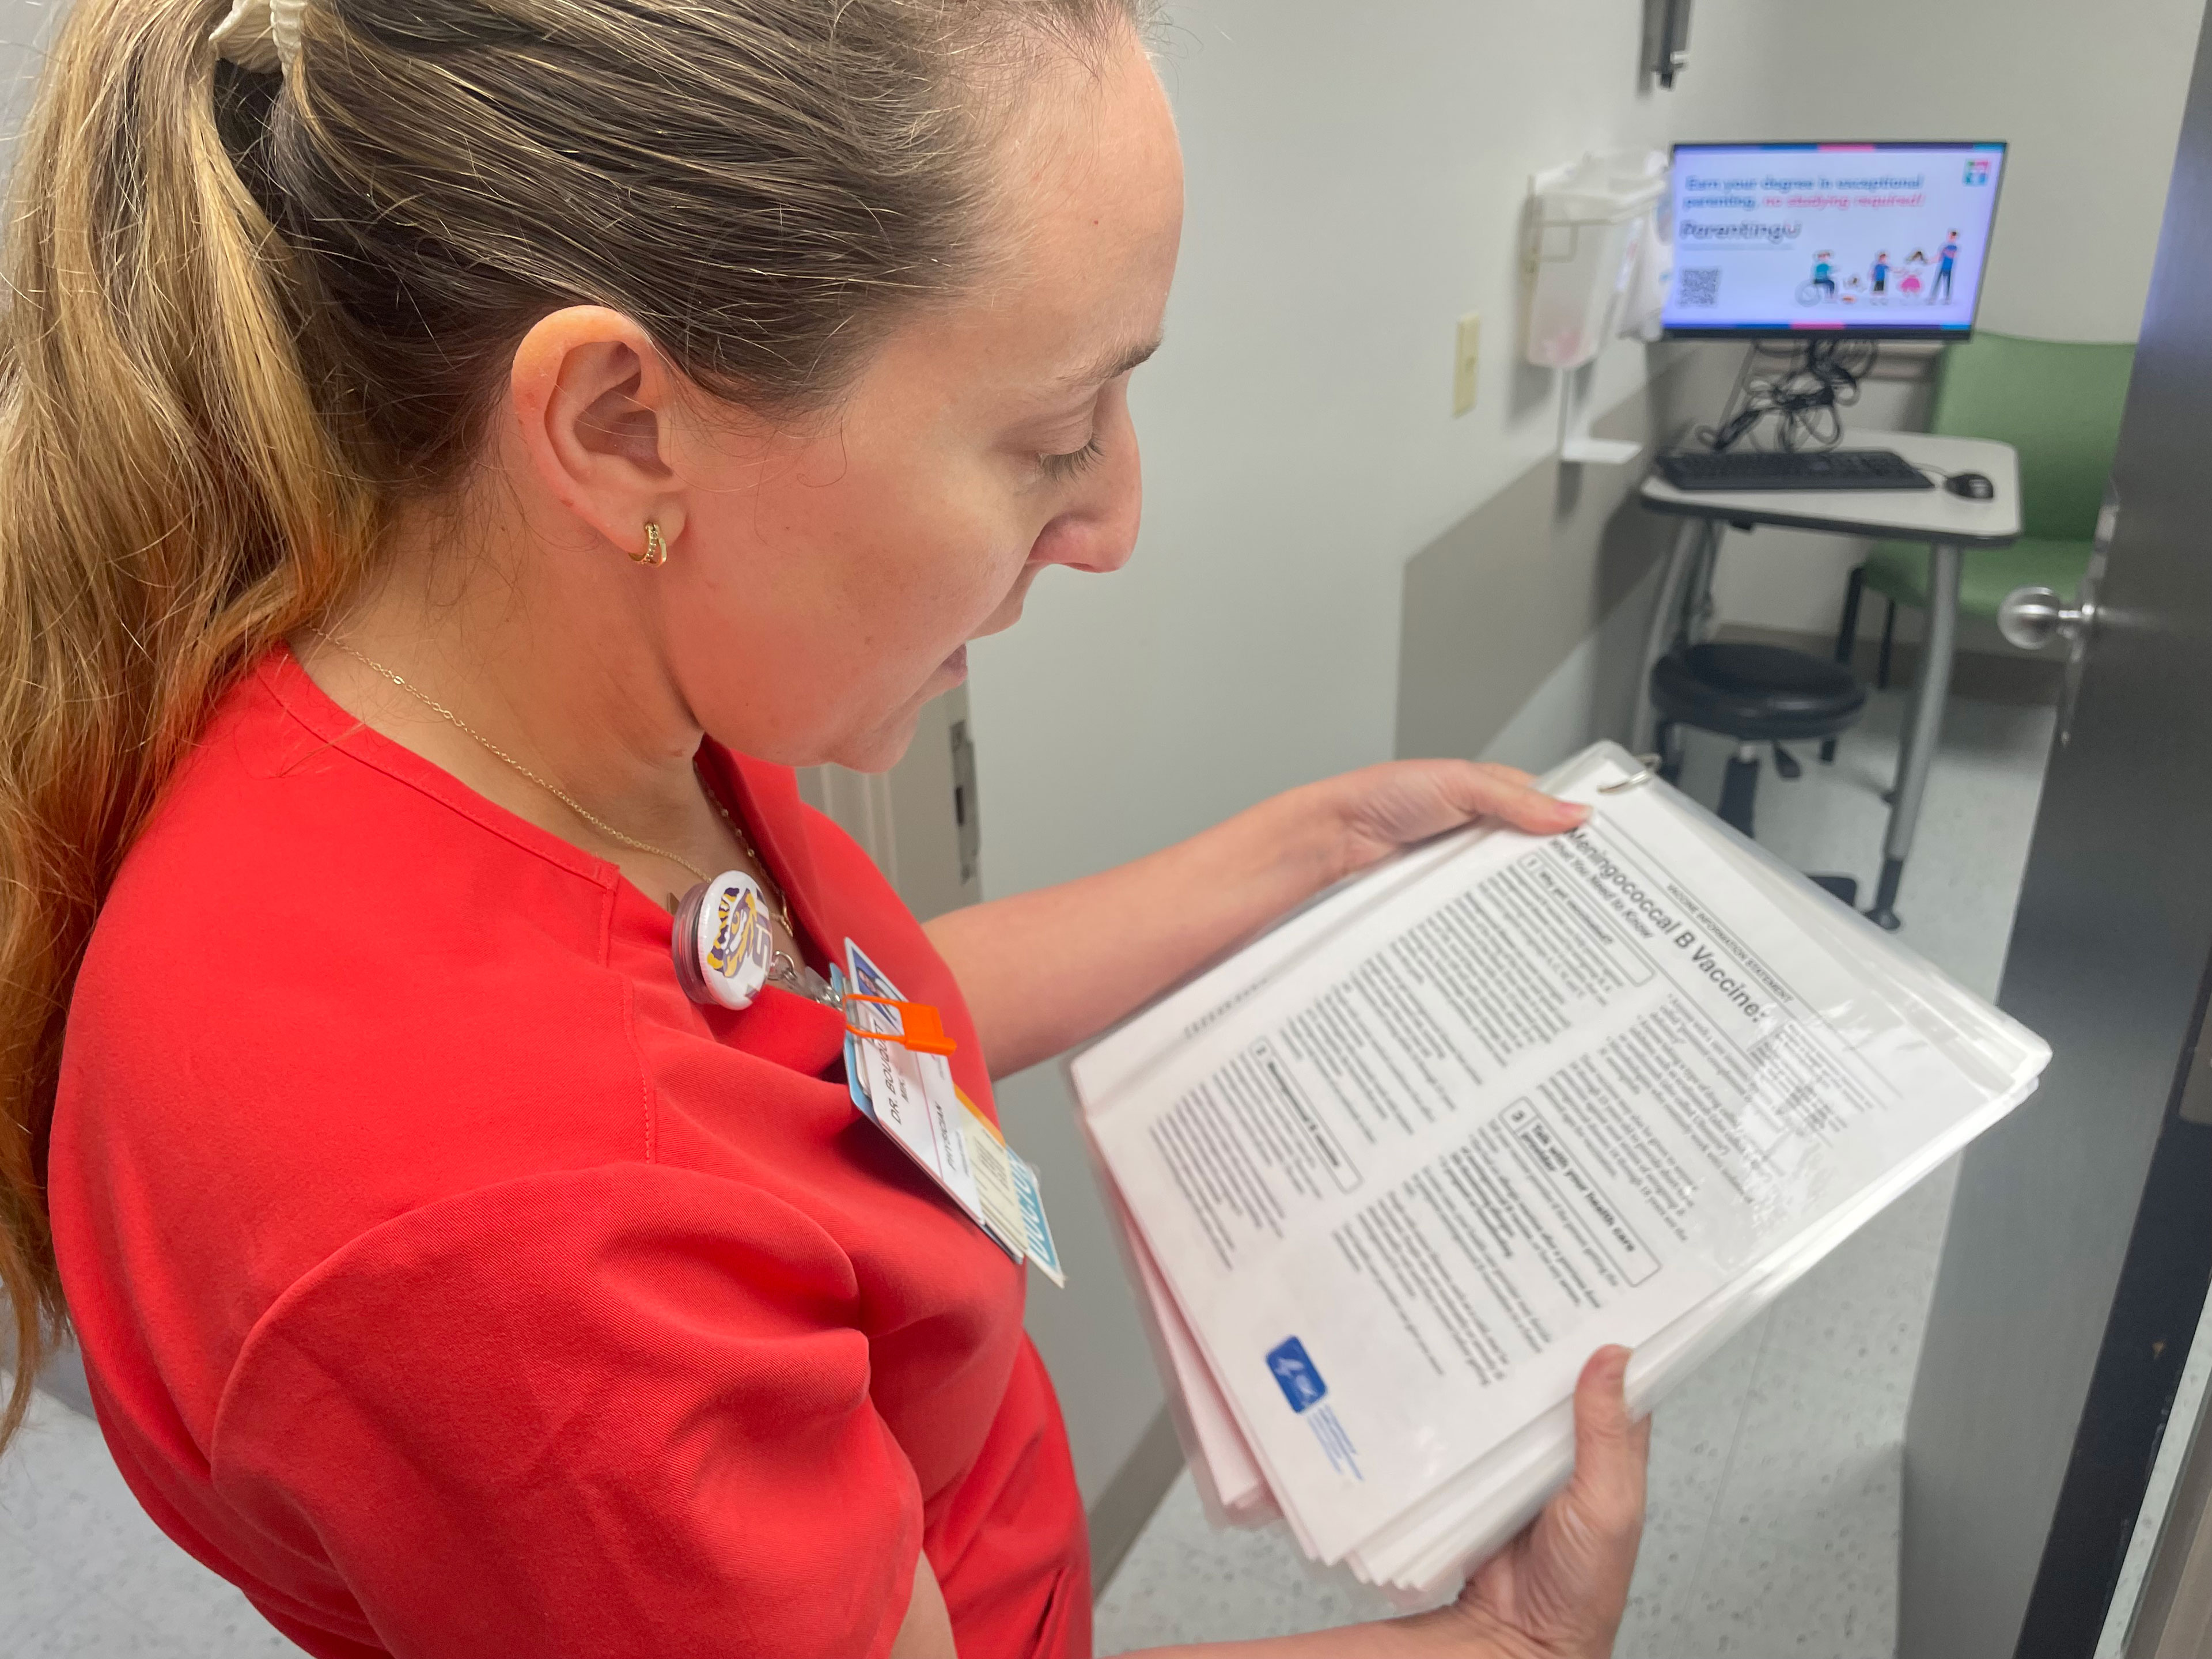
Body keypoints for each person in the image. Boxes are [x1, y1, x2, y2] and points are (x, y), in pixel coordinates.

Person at [0, 1, 1651, 1657]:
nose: (1113, 522)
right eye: (1058, 432)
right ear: (618, 425)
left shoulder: (562, 706)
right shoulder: (505, 1243)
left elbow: (815, 1054)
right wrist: (1496, 1650)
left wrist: (1316, 845)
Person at [1933, 230, 1961, 302]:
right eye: (1951, 236)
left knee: (1948, 284)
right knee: (1937, 282)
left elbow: (1952, 255)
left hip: (1949, 268)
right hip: (1942, 267)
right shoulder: (1945, 246)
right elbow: (1940, 256)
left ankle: (1947, 298)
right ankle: (1933, 297)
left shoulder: (1955, 247)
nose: (1951, 237)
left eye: (1953, 236)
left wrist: (1945, 252)